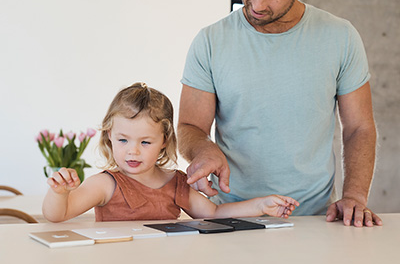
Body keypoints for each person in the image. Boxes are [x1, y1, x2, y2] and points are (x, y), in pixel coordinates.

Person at [178, 0, 382, 227]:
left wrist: (354, 195)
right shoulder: (210, 41)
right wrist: (204, 149)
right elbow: (190, 125)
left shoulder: (341, 37)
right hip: (232, 215)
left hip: (313, 220)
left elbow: (359, 128)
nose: (257, 3)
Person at [42, 82, 299, 222]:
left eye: (145, 143)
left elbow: (214, 213)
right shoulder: (106, 184)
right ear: (109, 135)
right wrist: (59, 193)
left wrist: (261, 205)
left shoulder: (175, 182)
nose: (133, 151)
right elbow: (58, 215)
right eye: (123, 140)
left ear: (164, 141)